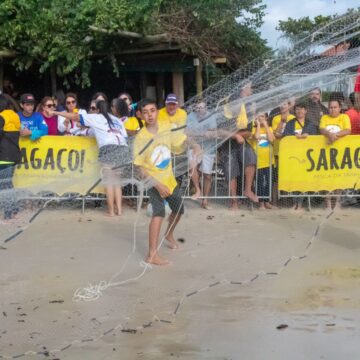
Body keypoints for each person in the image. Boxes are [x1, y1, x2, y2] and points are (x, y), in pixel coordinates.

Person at [133, 98, 201, 266]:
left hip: (169, 180)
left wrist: (195, 146)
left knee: (179, 210)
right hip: (153, 181)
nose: (150, 115)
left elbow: (182, 138)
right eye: (146, 112)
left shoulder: (165, 127)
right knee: (158, 214)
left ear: (157, 111)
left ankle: (169, 234)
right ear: (140, 115)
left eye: (152, 110)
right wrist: (157, 184)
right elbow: (139, 168)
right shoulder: (141, 138)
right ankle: (152, 254)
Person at [51, 100, 129, 217]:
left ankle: (111, 212)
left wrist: (56, 113)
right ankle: (119, 210)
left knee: (109, 182)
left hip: (108, 148)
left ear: (97, 110)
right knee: (117, 182)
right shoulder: (117, 120)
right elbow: (125, 137)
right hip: (122, 148)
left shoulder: (96, 117)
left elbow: (75, 116)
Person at [220, 82, 259, 208]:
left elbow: (248, 131)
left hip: (241, 143)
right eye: (250, 88)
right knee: (231, 170)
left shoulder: (246, 108)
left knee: (251, 157)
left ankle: (247, 190)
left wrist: (238, 135)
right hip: (226, 145)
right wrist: (235, 135)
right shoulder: (224, 108)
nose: (251, 90)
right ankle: (234, 201)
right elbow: (218, 131)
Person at [283, 102, 318, 211]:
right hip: (293, 156)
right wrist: (294, 136)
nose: (300, 111)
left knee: (303, 180)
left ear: (306, 110)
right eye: (297, 109)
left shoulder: (310, 124)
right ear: (295, 111)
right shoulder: (290, 123)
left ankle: (301, 203)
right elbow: (285, 135)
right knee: (294, 179)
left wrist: (308, 136)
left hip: (306, 157)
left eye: (302, 109)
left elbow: (315, 138)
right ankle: (295, 202)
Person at [319, 99, 351, 210]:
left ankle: (337, 202)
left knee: (339, 177)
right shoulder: (324, 118)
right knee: (326, 178)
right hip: (325, 153)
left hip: (341, 153)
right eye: (330, 107)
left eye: (335, 107)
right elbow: (321, 129)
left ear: (340, 107)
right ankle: (327, 202)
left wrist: (334, 136)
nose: (332, 109)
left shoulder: (344, 117)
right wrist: (329, 134)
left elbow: (347, 130)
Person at [186, 101, 217, 209]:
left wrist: (208, 134)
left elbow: (213, 132)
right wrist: (202, 134)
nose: (199, 110)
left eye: (201, 107)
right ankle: (198, 190)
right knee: (192, 168)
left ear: (206, 108)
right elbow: (187, 133)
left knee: (207, 175)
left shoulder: (211, 117)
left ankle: (205, 200)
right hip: (194, 146)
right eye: (197, 108)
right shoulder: (190, 116)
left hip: (209, 148)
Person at [0, 94, 21, 221]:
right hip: (13, 156)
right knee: (8, 184)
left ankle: (8, 213)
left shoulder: (1, 117)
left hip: (3, 155)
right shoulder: (15, 116)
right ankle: (14, 209)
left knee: (3, 185)